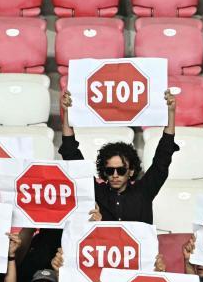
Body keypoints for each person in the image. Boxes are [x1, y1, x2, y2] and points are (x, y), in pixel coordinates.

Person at [59, 89, 178, 223]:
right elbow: (71, 155)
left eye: (121, 170)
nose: (115, 175)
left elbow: (162, 158)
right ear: (104, 171)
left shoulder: (143, 191)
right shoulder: (96, 192)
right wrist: (67, 113)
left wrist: (171, 112)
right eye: (110, 171)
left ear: (131, 171)